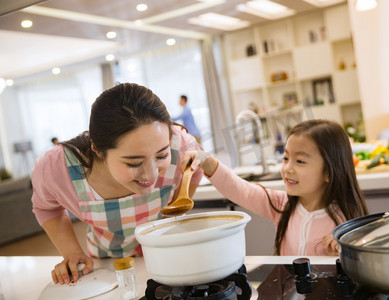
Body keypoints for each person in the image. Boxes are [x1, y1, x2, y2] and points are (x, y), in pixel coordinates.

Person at [31, 83, 203, 285]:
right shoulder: (55, 167)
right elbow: (46, 208)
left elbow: (196, 170)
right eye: (134, 162)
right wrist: (71, 252)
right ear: (97, 149)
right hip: (108, 267)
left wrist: (174, 211)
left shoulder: (179, 143)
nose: (150, 174)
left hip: (169, 257)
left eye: (161, 155)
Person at [182, 119, 368, 256]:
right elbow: (240, 189)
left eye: (300, 161)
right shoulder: (282, 204)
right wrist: (207, 161)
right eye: (286, 158)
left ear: (329, 171)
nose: (287, 168)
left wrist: (342, 252)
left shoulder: (349, 222)